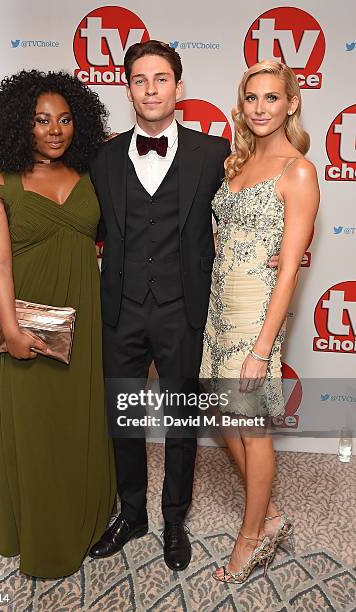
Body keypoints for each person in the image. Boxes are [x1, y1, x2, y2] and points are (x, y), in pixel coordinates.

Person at [88, 40, 231, 571]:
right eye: (140, 80)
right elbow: (89, 226)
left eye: (161, 79)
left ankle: (174, 518)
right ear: (128, 90)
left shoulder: (213, 153)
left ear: (178, 87)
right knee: (121, 418)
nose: (151, 89)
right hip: (120, 309)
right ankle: (132, 513)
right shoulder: (101, 157)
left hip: (182, 309)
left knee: (180, 421)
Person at [0, 70, 116, 578]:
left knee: (77, 422)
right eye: (41, 120)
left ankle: (87, 516)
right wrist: (10, 330)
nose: (54, 129)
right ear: (20, 125)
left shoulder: (88, 179)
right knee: (35, 430)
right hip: (27, 323)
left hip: (85, 319)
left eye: (64, 119)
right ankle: (39, 533)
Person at [200, 60, 319, 583]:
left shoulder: (298, 170)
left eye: (272, 98)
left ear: (291, 103)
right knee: (223, 416)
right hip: (219, 305)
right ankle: (270, 517)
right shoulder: (236, 163)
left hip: (257, 315)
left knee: (251, 427)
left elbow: (289, 270)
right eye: (252, 98)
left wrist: (261, 348)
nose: (261, 108)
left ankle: (251, 537)